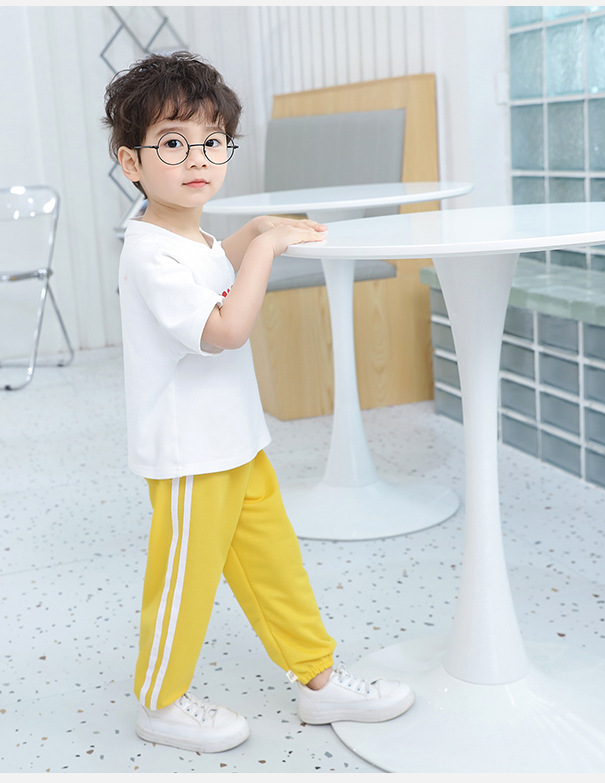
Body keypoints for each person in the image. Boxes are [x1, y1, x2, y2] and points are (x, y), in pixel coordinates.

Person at [103, 50, 414, 754]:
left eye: (213, 142)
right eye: (173, 143)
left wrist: (257, 232)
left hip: (236, 440)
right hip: (190, 455)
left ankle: (318, 678)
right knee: (185, 582)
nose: (198, 158)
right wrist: (267, 251)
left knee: (276, 565)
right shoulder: (150, 253)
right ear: (131, 162)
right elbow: (225, 329)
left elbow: (219, 262)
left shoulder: (191, 236)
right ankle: (160, 701)